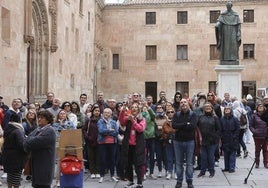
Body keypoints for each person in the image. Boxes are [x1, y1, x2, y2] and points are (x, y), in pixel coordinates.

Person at [24, 110, 56, 188]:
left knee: (43, 185)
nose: (39, 119)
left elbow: (32, 142)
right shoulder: (39, 129)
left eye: (42, 118)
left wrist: (29, 140)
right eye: (38, 117)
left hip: (44, 166)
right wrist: (29, 140)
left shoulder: (49, 131)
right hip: (37, 165)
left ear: (48, 120)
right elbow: (27, 140)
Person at [119, 102, 146, 188]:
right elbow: (122, 121)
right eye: (132, 107)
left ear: (139, 109)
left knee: (138, 164)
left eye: (136, 107)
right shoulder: (128, 118)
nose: (134, 109)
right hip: (128, 145)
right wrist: (123, 111)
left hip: (138, 145)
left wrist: (133, 121)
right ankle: (130, 181)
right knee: (128, 163)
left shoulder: (142, 119)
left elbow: (140, 129)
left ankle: (139, 183)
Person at [172, 99, 197, 188]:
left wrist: (181, 126)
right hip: (177, 142)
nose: (183, 104)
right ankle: (179, 181)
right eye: (181, 103)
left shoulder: (193, 114)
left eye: (185, 102)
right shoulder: (176, 114)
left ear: (188, 104)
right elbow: (174, 125)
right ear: (180, 105)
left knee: (189, 163)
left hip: (190, 141)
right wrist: (185, 124)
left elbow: (192, 127)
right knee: (178, 163)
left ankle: (189, 181)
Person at [2, 113, 27, 188]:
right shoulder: (18, 130)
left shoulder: (7, 128)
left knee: (10, 177)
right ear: (19, 120)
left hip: (8, 156)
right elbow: (22, 145)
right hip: (17, 158)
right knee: (16, 179)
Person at [196, 102, 221, 178]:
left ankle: (211, 171)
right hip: (202, 141)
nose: (208, 109)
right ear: (204, 109)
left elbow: (219, 129)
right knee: (203, 157)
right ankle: (202, 171)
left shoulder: (215, 118)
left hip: (212, 141)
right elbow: (197, 127)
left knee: (210, 157)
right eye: (206, 107)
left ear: (212, 109)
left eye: (209, 107)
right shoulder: (200, 117)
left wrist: (215, 137)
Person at [97, 108, 119, 183]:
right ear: (103, 113)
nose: (106, 114)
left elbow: (116, 132)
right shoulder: (100, 121)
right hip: (102, 143)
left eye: (108, 112)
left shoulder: (113, 122)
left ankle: (112, 175)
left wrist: (106, 132)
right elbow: (100, 131)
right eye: (105, 112)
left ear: (111, 114)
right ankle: (102, 175)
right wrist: (109, 131)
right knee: (103, 159)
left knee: (112, 159)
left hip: (112, 143)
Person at [82, 105, 101, 179]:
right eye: (96, 111)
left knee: (98, 157)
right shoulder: (88, 120)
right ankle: (93, 171)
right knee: (91, 157)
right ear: (93, 111)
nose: (97, 112)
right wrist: (87, 137)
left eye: (98, 111)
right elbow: (84, 129)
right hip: (90, 141)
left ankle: (98, 171)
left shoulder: (101, 120)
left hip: (99, 141)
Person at [220, 105, 240, 173]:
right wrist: (222, 136)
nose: (227, 111)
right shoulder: (222, 118)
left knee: (232, 153)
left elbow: (238, 128)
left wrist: (235, 136)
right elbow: (221, 129)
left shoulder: (235, 118)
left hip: (233, 138)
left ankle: (231, 167)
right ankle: (226, 167)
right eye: (226, 110)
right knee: (226, 153)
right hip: (225, 138)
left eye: (228, 109)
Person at [249, 103, 268, 168]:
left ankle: (266, 163)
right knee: (257, 150)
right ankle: (257, 163)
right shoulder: (254, 116)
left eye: (262, 106)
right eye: (259, 106)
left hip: (265, 135)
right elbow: (251, 125)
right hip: (257, 136)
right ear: (257, 108)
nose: (260, 107)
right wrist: (254, 131)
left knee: (265, 150)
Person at [162, 107, 176, 180]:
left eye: (172, 112)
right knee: (169, 158)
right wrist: (169, 135)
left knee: (176, 158)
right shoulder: (165, 123)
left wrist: (170, 133)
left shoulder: (177, 121)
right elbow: (164, 132)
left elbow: (177, 130)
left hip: (176, 142)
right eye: (168, 112)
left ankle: (176, 172)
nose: (170, 113)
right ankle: (169, 172)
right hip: (168, 142)